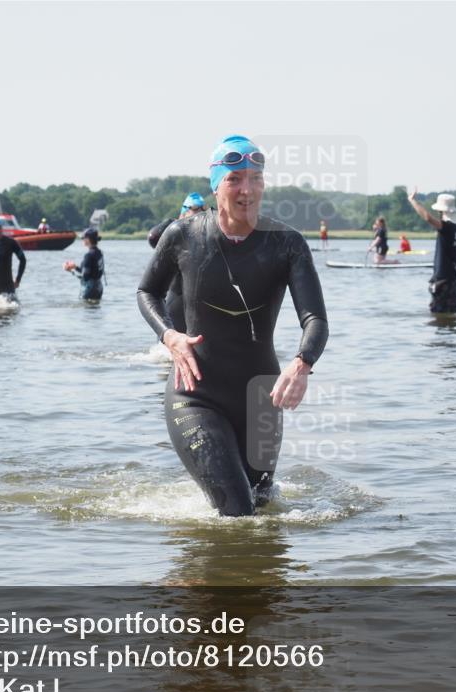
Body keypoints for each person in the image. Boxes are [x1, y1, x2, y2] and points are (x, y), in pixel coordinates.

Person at [137, 134, 328, 517]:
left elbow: (315, 319)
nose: (247, 189)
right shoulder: (183, 235)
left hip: (261, 399)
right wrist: (169, 336)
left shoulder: (286, 244)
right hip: (195, 394)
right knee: (239, 511)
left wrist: (302, 362)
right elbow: (147, 292)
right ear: (215, 184)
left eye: (255, 178)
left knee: (262, 504)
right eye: (234, 179)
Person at [147, 192, 209, 333]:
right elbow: (152, 237)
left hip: (199, 304)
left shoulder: (208, 231)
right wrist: (173, 223)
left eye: (203, 211)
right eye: (195, 211)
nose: (199, 215)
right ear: (184, 211)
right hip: (177, 299)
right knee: (168, 350)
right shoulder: (175, 231)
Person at [408, 188, 456, 313]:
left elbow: (427, 217)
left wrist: (412, 201)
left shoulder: (447, 227)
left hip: (443, 280)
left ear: (440, 211)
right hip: (454, 279)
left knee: (438, 317)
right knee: (451, 314)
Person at [63, 228, 105, 301]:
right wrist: (75, 267)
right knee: (95, 309)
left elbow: (85, 277)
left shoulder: (88, 255)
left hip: (90, 289)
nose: (82, 240)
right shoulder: (99, 253)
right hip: (99, 287)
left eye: (83, 238)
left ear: (88, 239)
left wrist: (70, 271)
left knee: (86, 310)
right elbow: (91, 272)